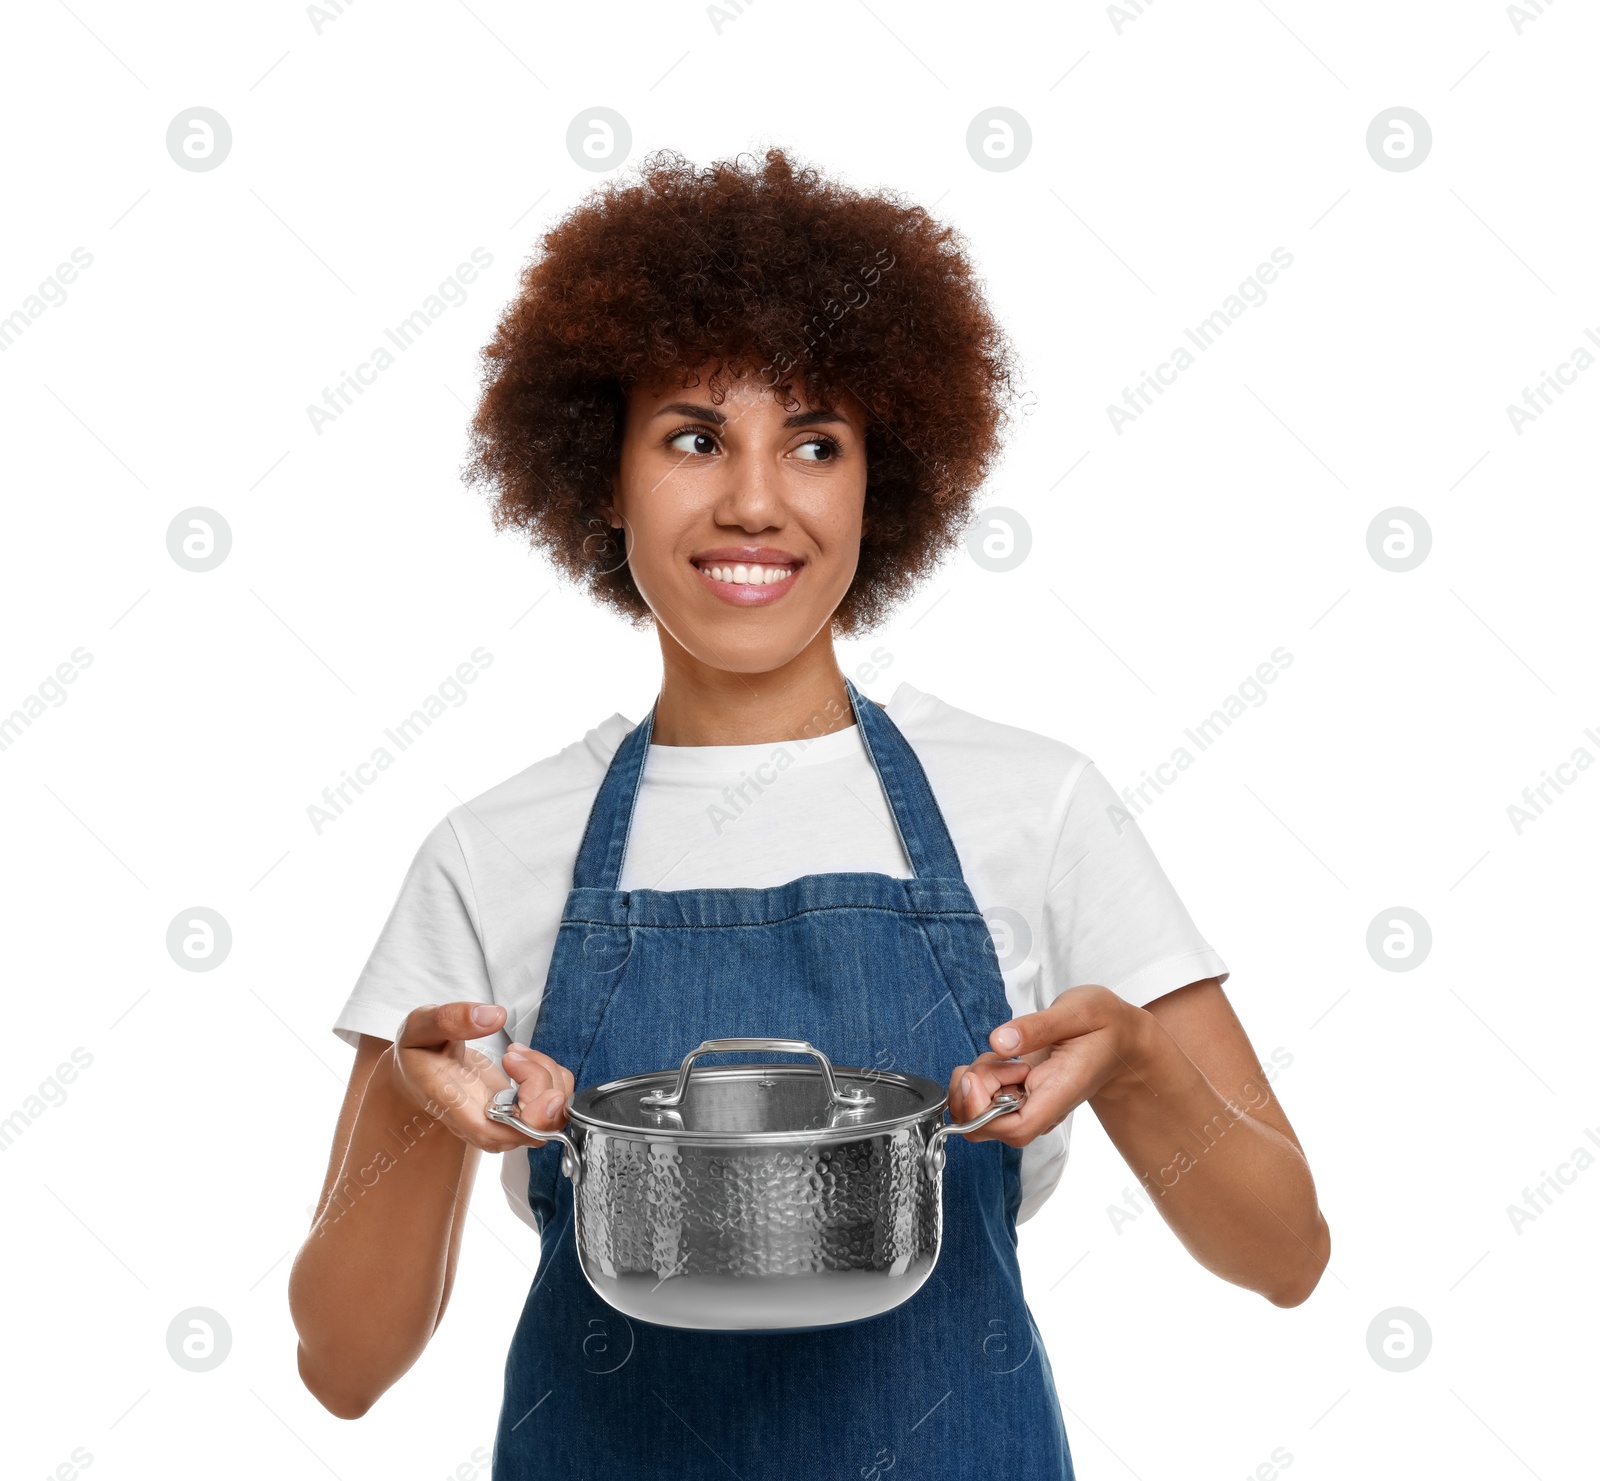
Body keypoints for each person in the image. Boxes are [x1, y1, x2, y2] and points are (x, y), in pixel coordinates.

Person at [288, 147, 1330, 1479]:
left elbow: (1288, 1257)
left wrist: (1130, 1058)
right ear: (603, 478)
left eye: (815, 441)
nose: (756, 500)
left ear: (873, 483)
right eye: (692, 437)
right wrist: (407, 1098)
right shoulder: (492, 851)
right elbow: (342, 1367)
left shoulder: (1036, 803)